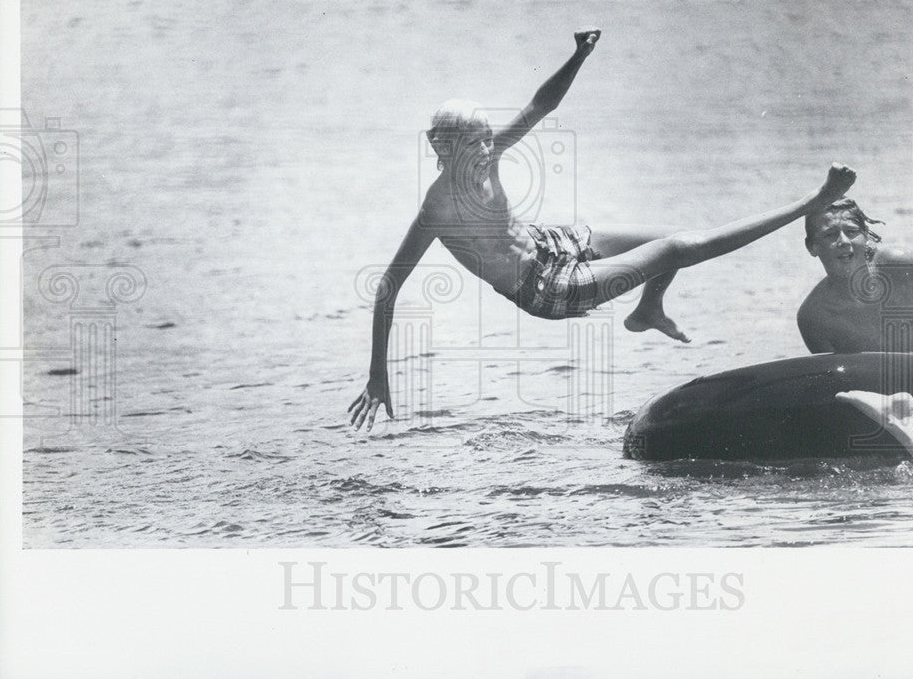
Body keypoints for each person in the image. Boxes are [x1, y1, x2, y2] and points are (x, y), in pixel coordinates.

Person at [349, 28, 857, 431]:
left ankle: (649, 308)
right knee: (681, 248)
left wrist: (579, 56)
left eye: (487, 141)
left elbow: (540, 106)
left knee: (667, 233)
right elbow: (388, 288)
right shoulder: (437, 210)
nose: (487, 151)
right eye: (473, 145)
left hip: (551, 242)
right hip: (543, 288)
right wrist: (378, 374)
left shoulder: (488, 155)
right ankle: (811, 201)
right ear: (442, 150)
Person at [797, 199, 913, 354]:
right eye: (830, 234)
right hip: (872, 392)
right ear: (811, 246)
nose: (843, 241)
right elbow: (836, 385)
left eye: (851, 232)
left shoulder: (897, 264)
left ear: (866, 236)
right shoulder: (813, 316)